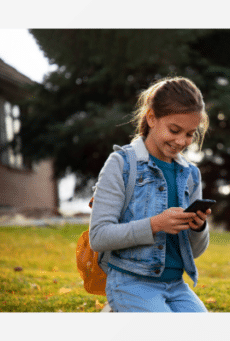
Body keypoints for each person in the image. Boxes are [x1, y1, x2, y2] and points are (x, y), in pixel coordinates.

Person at [88, 77, 213, 312]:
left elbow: (194, 251)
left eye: (189, 134)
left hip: (176, 286)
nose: (181, 141)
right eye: (174, 130)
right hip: (130, 281)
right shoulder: (122, 164)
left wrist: (198, 228)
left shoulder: (190, 174)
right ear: (152, 117)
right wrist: (156, 224)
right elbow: (99, 237)